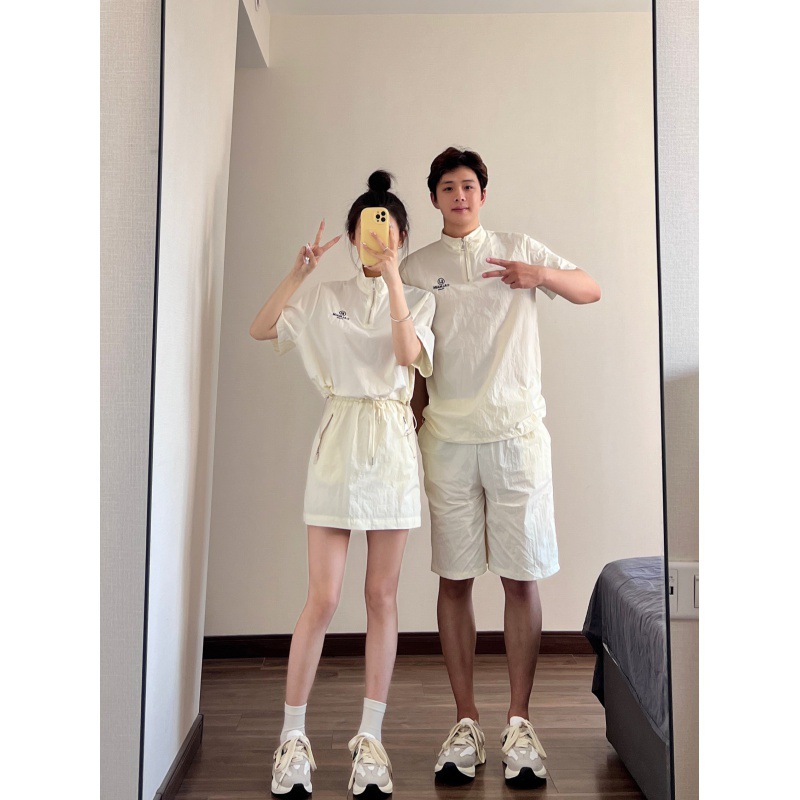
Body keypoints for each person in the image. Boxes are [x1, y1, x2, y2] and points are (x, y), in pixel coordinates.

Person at [400, 147, 601, 790]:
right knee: (455, 578)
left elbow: (590, 288)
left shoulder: (518, 249)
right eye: (447, 187)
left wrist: (536, 274)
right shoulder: (416, 268)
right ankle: (465, 722)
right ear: (434, 198)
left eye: (468, 186)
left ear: (483, 194)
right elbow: (409, 354)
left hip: (517, 438)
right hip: (448, 441)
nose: (459, 195)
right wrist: (414, 416)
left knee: (521, 578)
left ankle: (519, 724)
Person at [249, 171, 435, 798]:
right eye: (368, 228)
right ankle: (292, 739)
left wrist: (393, 279)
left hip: (391, 444)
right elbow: (261, 328)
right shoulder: (325, 294)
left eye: (389, 228)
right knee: (323, 599)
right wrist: (299, 271)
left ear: (401, 236)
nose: (378, 238)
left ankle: (371, 741)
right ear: (354, 236)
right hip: (338, 439)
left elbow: (406, 355)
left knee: (381, 596)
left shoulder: (418, 299)